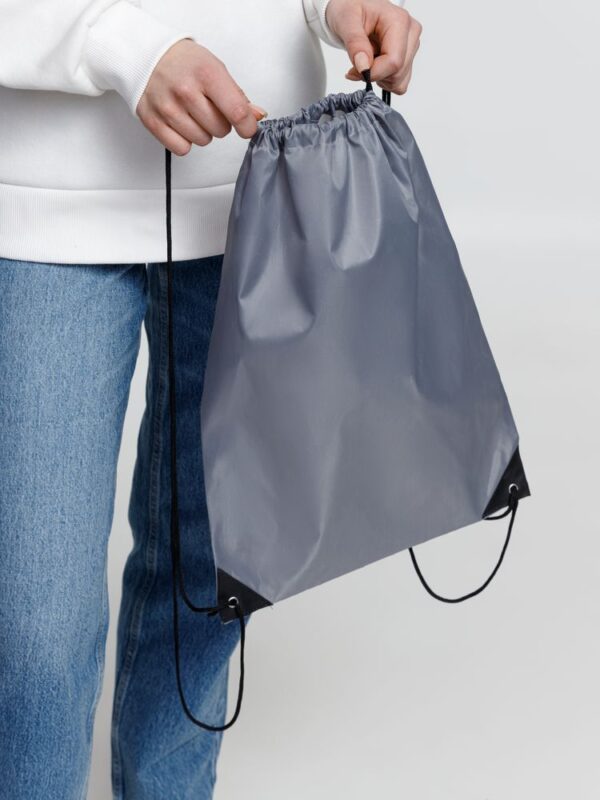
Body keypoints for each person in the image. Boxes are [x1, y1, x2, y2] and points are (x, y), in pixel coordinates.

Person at [0, 0, 422, 797]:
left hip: (257, 181)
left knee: (211, 581)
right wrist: (119, 43)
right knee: (35, 633)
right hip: (43, 200)